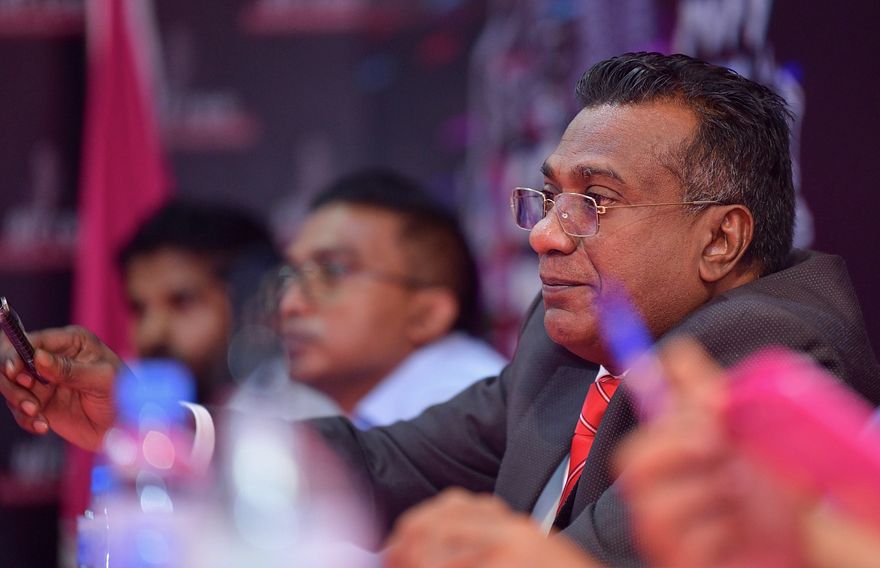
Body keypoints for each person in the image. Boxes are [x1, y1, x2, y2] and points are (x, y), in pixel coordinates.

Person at [3, 52, 880, 565]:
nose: (547, 235)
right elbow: (385, 462)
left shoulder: (770, 354)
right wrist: (148, 422)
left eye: (596, 201)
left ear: (721, 240)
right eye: (549, 197)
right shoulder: (565, 345)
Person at [230, 169, 507, 427]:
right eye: (290, 275)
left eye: (332, 271)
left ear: (426, 315)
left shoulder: (468, 412)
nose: (289, 306)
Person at [118, 199, 337, 415]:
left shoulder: (305, 424)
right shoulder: (134, 426)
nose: (151, 333)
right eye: (139, 309)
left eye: (182, 302)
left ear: (252, 303)